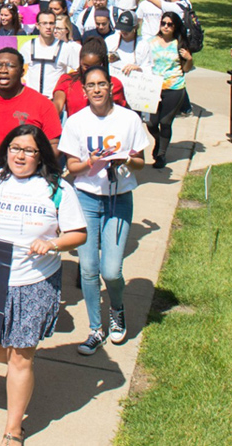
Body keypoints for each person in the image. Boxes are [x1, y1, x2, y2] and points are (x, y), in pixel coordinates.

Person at [0, 124, 86, 446]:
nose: (20, 155)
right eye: (15, 148)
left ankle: (13, 429)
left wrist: (52, 244)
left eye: (28, 150)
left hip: (34, 280)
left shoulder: (57, 188)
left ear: (40, 155)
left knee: (21, 357)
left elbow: (78, 233)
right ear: (5, 150)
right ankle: (16, 374)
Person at [59, 64, 149, 356]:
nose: (96, 89)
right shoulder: (76, 122)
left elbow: (140, 162)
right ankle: (96, 328)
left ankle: (117, 309)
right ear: (84, 91)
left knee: (111, 271)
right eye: (91, 85)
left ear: (111, 87)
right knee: (88, 269)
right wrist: (90, 163)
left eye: (101, 84)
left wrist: (125, 160)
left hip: (118, 197)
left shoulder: (129, 119)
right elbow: (72, 167)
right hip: (86, 198)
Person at [0, 48, 62, 162]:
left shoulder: (43, 104)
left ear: (22, 72)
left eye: (10, 66)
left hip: (25, 175)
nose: (3, 70)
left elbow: (54, 144)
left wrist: (35, 167)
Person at [134, 11, 194, 167]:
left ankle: (161, 155)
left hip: (174, 87)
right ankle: (160, 141)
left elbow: (186, 69)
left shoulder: (179, 44)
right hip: (153, 87)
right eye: (164, 23)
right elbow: (144, 62)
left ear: (175, 27)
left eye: (170, 24)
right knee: (151, 123)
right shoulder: (150, 42)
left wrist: (189, 59)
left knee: (165, 122)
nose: (166, 27)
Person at [53, 38, 127, 118]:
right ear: (80, 62)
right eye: (86, 66)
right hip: (76, 128)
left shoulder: (114, 83)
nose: (90, 71)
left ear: (102, 64)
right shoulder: (67, 80)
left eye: (94, 67)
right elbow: (57, 105)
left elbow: (123, 112)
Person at [19, 11, 81, 98]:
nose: (48, 27)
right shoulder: (27, 46)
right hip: (31, 99)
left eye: (51, 23)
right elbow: (18, 70)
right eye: (44, 23)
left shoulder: (66, 48)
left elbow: (79, 70)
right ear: (37, 25)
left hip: (55, 100)